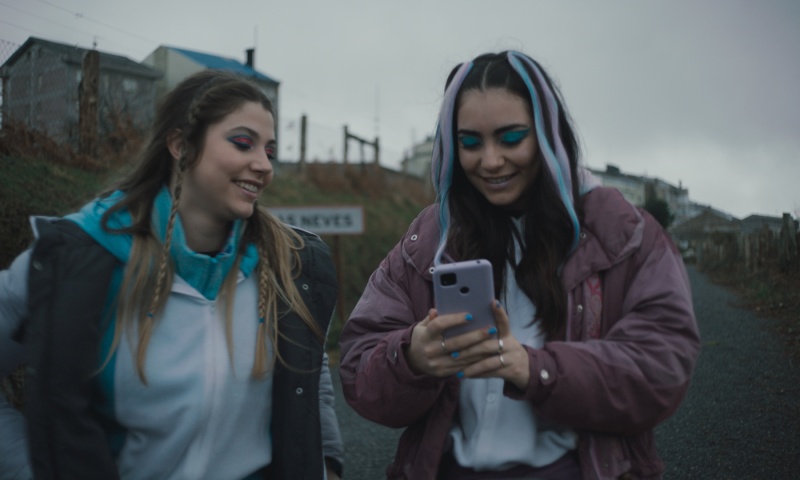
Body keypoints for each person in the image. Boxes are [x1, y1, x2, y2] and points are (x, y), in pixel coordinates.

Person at [338, 51, 700, 479]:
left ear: (548, 134)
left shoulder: (622, 232)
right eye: (470, 143)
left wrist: (536, 369)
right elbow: (358, 367)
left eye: (511, 138)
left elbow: (662, 365)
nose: (491, 161)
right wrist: (411, 357)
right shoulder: (428, 239)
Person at [0, 70, 343, 479]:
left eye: (269, 151)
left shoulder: (292, 264)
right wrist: (32, 468)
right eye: (242, 143)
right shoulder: (73, 257)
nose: (263, 165)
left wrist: (325, 467)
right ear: (181, 145)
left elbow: (309, 376)